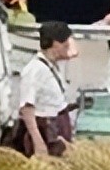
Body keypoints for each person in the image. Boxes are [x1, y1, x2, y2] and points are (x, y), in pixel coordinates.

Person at [15, 21, 76, 157]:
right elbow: (27, 107)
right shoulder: (34, 69)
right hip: (45, 128)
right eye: (65, 41)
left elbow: (73, 52)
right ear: (55, 43)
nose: (68, 44)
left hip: (56, 126)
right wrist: (38, 141)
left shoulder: (53, 65)